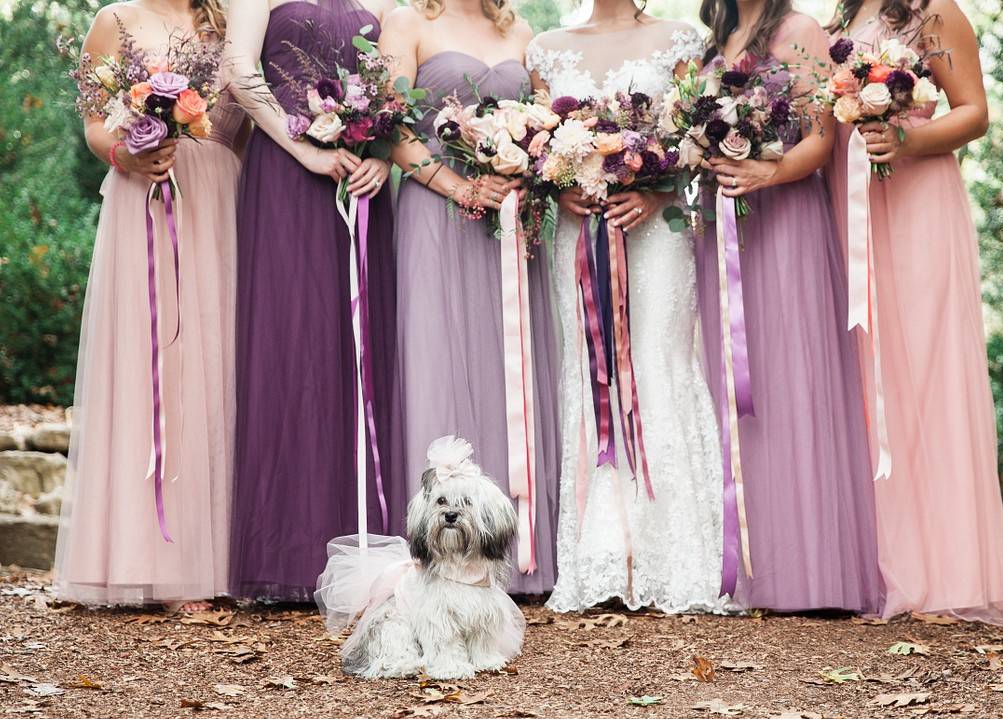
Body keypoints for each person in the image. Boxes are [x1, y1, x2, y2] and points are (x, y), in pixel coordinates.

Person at [825, 0, 1003, 624]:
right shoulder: (838, 20)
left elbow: (974, 112)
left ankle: (948, 569)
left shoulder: (935, 11)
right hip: (852, 204)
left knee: (926, 368)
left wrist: (906, 137)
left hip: (916, 203)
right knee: (867, 374)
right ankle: (879, 563)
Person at [528, 0, 738, 613]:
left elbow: (701, 136)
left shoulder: (680, 40)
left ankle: (676, 558)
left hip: (658, 235)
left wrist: (659, 190)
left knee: (654, 364)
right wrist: (564, 188)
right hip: (579, 237)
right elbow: (542, 147)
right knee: (591, 370)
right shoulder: (546, 47)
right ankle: (602, 555)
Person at [54, 0, 246, 609]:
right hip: (144, 195)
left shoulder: (232, 18)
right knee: (151, 360)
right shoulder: (115, 19)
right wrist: (126, 155)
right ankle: (149, 555)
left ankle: (218, 558)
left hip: (221, 198)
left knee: (215, 363)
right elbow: (93, 126)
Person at [696, 0, 882, 612]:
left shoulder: (800, 30)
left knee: (794, 382)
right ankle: (754, 562)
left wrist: (761, 174)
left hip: (787, 222)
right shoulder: (719, 35)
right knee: (742, 390)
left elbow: (823, 140)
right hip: (724, 228)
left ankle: (813, 570)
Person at [379, 0, 560, 593]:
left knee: (507, 364)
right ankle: (438, 555)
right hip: (437, 217)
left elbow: (546, 129)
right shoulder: (407, 23)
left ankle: (516, 545)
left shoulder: (522, 30)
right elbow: (393, 127)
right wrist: (458, 186)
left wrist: (524, 172)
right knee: (438, 359)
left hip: (509, 226)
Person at [224, 0, 400, 601]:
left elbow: (388, 95)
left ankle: (360, 543)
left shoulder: (380, 4)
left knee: (354, 358)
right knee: (289, 347)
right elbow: (241, 73)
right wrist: (306, 151)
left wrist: (377, 155)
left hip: (359, 185)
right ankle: (287, 551)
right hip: (287, 178)